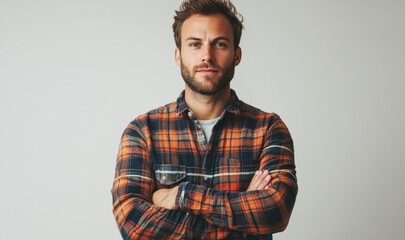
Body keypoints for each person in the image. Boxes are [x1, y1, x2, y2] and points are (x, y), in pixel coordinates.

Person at [111, 0, 297, 239]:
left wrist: (180, 196)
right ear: (178, 55)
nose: (207, 55)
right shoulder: (142, 131)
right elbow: (133, 225)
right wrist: (244, 218)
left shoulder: (268, 129)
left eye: (219, 44)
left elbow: (276, 212)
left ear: (236, 55)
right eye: (195, 44)